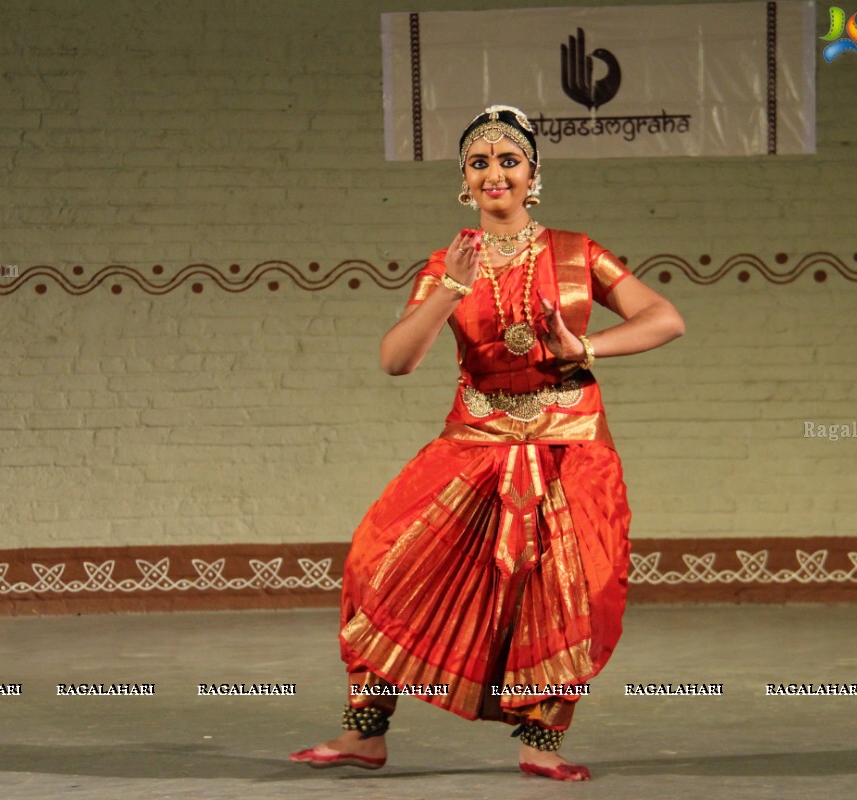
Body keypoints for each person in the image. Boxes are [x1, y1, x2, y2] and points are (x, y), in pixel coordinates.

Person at [290, 104, 684, 782]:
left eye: (508, 161)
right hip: (476, 438)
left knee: (571, 590)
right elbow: (396, 360)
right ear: (464, 182)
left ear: (533, 174)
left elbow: (665, 319)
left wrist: (587, 346)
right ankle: (365, 732)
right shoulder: (448, 263)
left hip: (570, 443)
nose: (494, 173)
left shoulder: (578, 252)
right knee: (377, 562)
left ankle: (542, 743)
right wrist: (450, 289)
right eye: (480, 163)